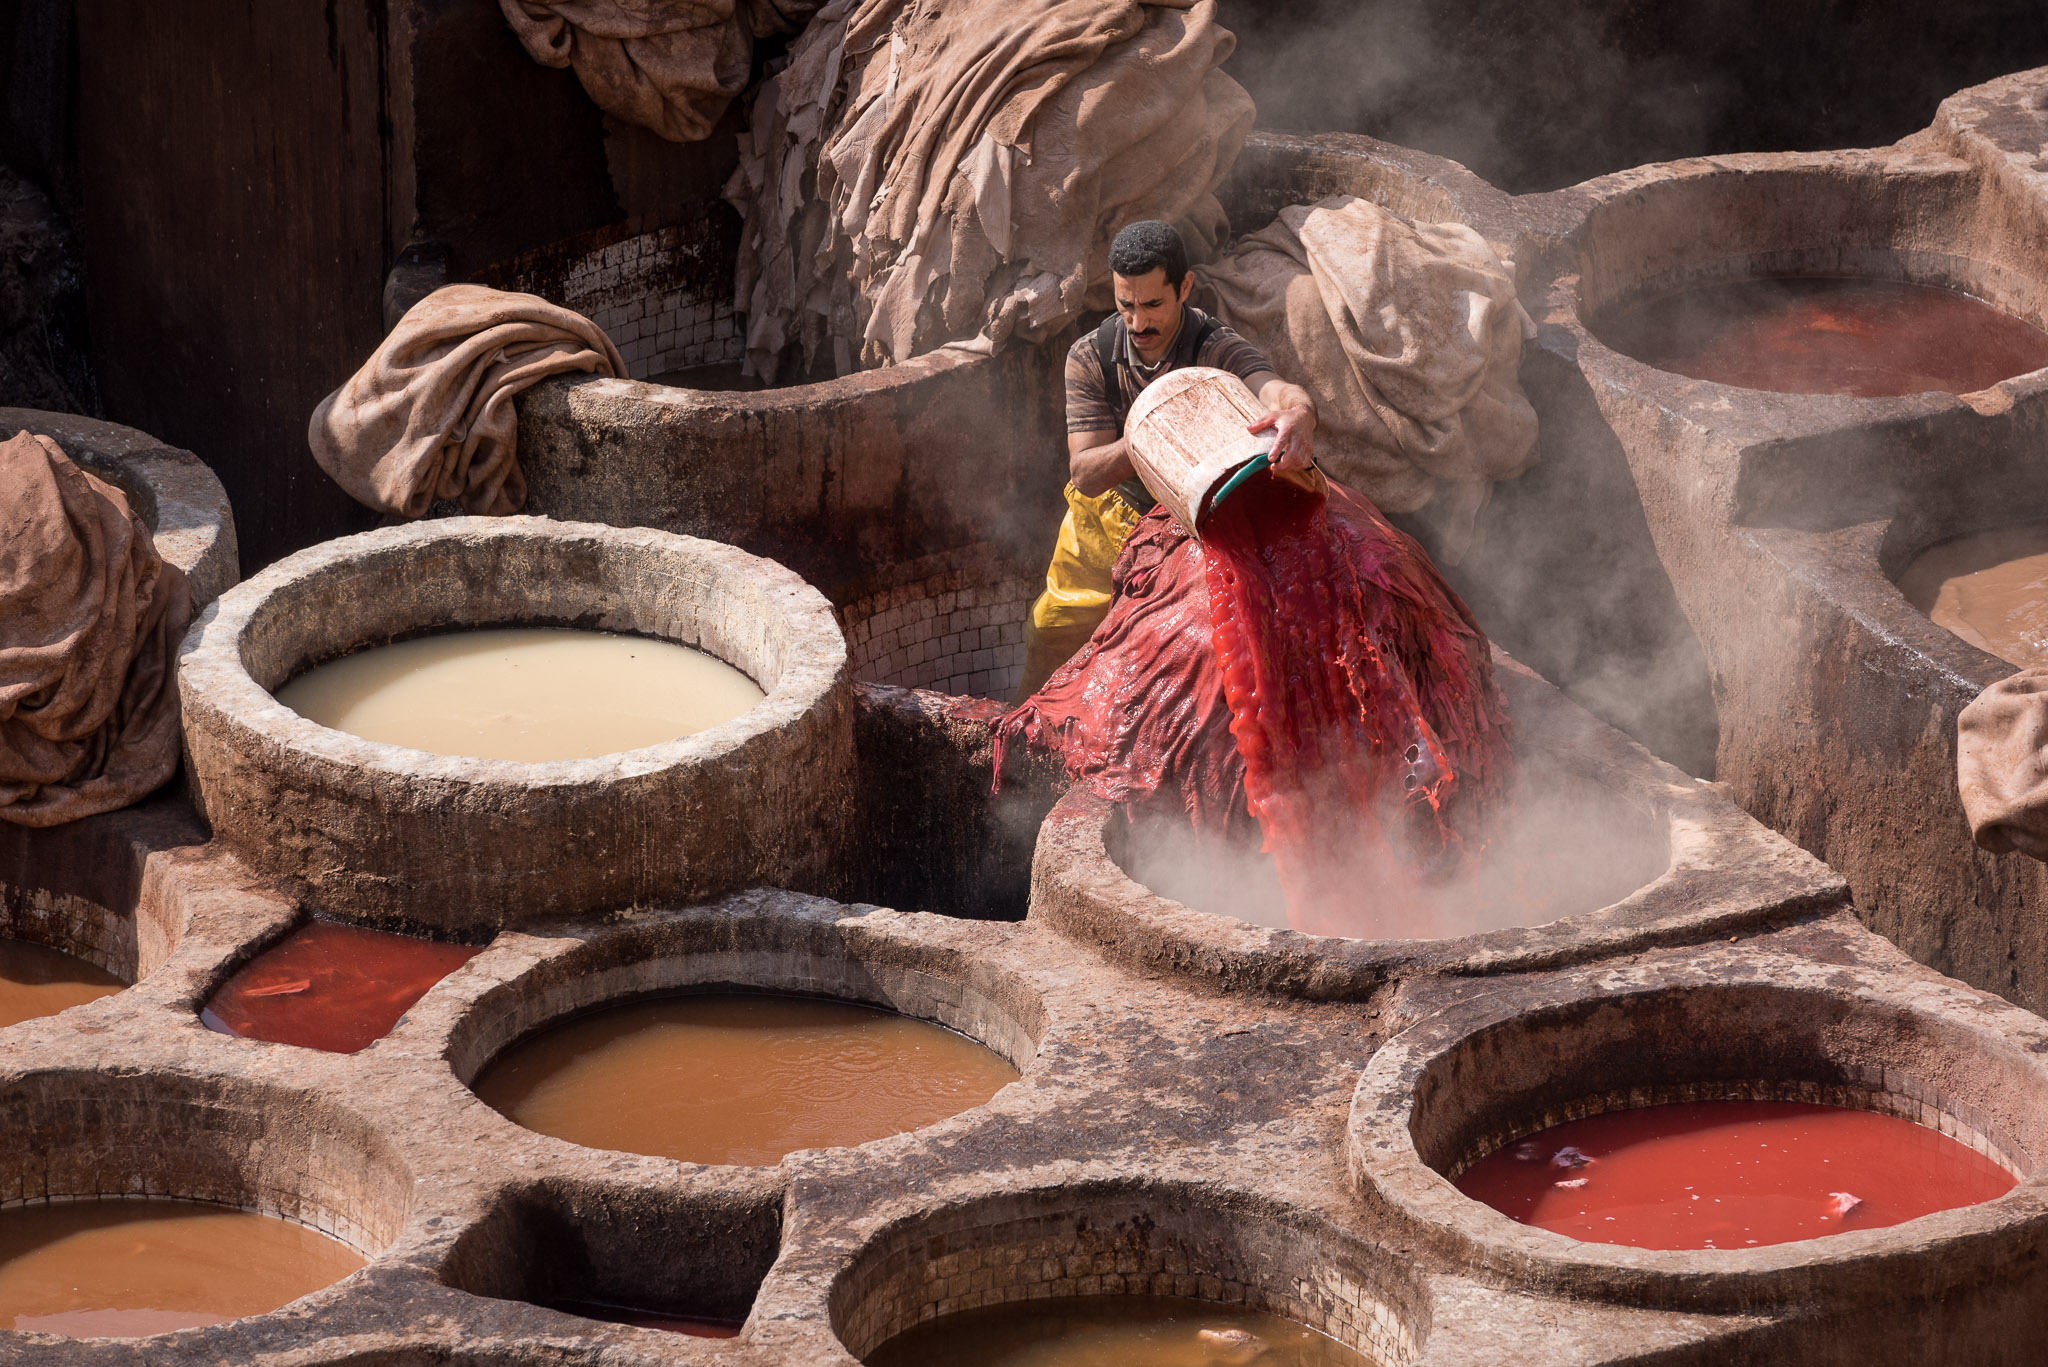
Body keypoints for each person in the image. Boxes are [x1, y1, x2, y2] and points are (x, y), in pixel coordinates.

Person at [1016, 220, 1319, 699]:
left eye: (1153, 304)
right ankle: (1022, 741)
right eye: (1125, 305)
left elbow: (1271, 386)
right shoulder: (1091, 357)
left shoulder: (1213, 346)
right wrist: (1149, 432)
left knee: (1173, 665)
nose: (1138, 323)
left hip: (1181, 527)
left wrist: (1299, 412)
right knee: (1050, 633)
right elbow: (1087, 473)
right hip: (1102, 519)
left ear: (1185, 289)